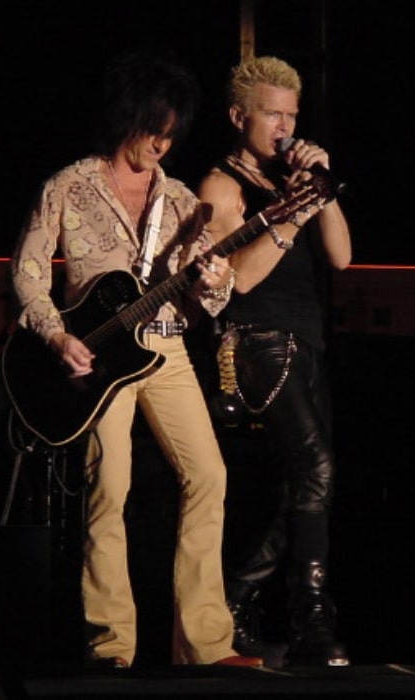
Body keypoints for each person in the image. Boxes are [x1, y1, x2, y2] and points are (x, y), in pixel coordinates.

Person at [8, 50, 263, 671]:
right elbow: (28, 273)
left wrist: (215, 280)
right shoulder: (69, 186)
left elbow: (211, 295)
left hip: (166, 348)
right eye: (154, 128)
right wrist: (56, 337)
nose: (162, 143)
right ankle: (111, 645)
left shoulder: (181, 202)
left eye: (172, 133)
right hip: (98, 357)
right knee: (110, 485)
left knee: (209, 475)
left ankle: (204, 643)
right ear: (128, 118)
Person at [196, 55, 352, 667]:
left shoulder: (295, 178)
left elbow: (341, 256)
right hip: (258, 340)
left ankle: (234, 602)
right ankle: (312, 623)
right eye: (271, 115)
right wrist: (291, 214)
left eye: (291, 116)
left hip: (308, 338)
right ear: (240, 117)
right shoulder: (222, 185)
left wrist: (320, 190)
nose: (284, 128)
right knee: (316, 467)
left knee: (305, 483)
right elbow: (238, 280)